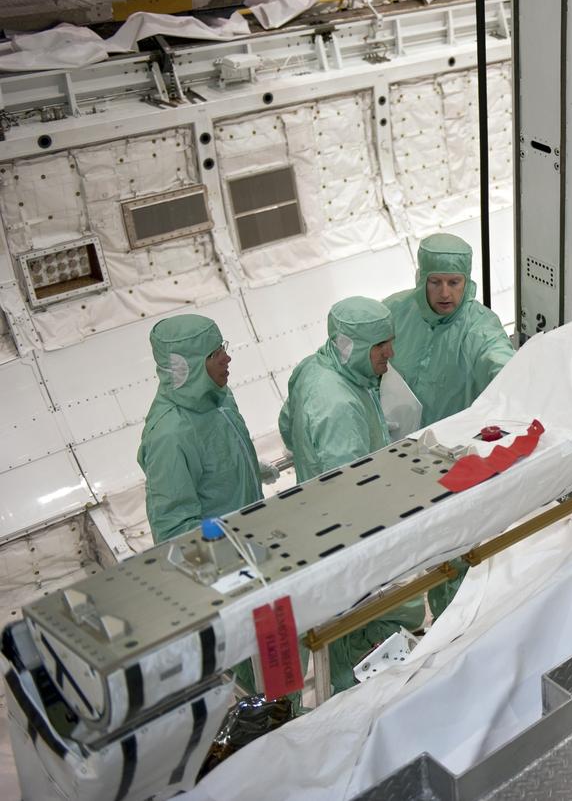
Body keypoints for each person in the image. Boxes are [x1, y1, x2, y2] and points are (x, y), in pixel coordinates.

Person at [279, 296, 424, 692]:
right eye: (380, 346)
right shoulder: (339, 405)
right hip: (348, 538)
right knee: (361, 626)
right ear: (352, 346)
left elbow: (286, 424)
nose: (390, 354)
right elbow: (354, 496)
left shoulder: (313, 369)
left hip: (316, 519)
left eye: (390, 342)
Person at [138, 314, 276, 544]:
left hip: (252, 531)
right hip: (227, 555)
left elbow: (216, 452)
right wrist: (232, 546)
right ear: (187, 367)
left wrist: (248, 468)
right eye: (214, 354)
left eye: (222, 347)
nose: (227, 358)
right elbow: (174, 530)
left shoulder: (218, 397)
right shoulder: (169, 436)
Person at [383, 232, 514, 429]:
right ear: (422, 280)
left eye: (454, 282)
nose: (445, 293)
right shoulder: (395, 311)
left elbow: (502, 364)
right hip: (395, 436)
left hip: (450, 443)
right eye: (435, 282)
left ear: (467, 282)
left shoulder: (479, 327)